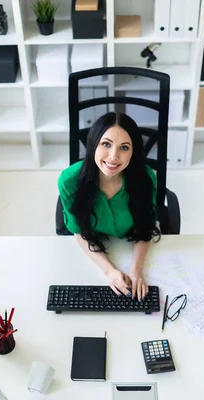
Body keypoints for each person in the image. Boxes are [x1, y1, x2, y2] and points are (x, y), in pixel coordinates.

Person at [58, 112, 161, 300]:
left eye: (124, 147)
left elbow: (145, 227)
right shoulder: (69, 181)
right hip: (93, 247)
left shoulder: (145, 178)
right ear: (93, 145)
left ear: (133, 152)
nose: (114, 157)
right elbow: (79, 232)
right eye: (106, 144)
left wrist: (136, 269)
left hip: (129, 243)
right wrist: (109, 271)